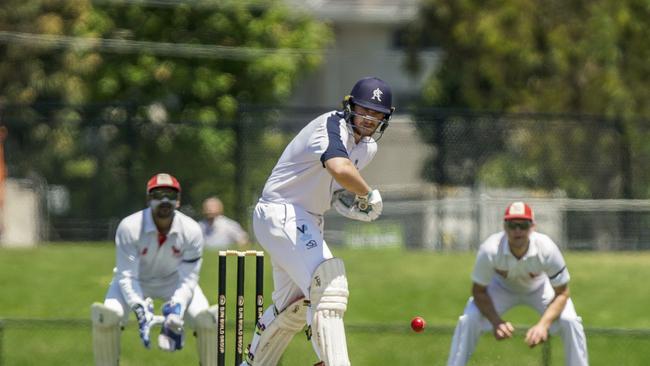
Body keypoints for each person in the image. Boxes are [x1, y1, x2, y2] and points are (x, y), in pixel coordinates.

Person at [242, 77, 395, 366]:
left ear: (386, 117)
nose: (369, 118)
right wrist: (367, 192)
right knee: (329, 285)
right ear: (350, 106)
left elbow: (334, 187)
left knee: (294, 307)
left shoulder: (367, 149)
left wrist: (347, 200)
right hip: (281, 211)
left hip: (307, 220)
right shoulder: (330, 125)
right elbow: (338, 167)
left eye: (377, 114)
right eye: (363, 109)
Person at [91, 173, 218, 366]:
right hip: (136, 281)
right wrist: (139, 307)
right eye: (158, 194)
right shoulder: (130, 227)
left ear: (178, 200)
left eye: (171, 195)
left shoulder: (191, 230)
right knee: (106, 317)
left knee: (207, 320)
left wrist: (177, 308)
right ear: (149, 198)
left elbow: (189, 277)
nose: (165, 200)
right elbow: (127, 275)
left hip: (174, 282)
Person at [447, 201, 589, 366]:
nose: (517, 231)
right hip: (501, 288)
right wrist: (496, 322)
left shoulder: (547, 248)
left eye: (523, 225)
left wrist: (543, 325)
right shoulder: (490, 249)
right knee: (469, 319)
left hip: (539, 288)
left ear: (532, 226)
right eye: (512, 225)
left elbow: (563, 292)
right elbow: (478, 291)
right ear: (504, 227)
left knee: (570, 321)